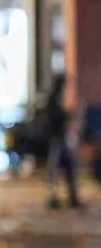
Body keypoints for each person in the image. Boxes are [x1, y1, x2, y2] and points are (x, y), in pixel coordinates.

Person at [45, 73, 83, 211]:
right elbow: (56, 118)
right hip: (57, 140)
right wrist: (70, 114)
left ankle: (72, 197)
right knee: (55, 170)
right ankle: (54, 198)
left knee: (69, 168)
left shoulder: (58, 98)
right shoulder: (53, 99)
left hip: (61, 139)